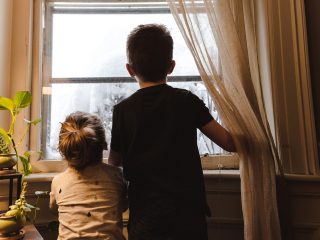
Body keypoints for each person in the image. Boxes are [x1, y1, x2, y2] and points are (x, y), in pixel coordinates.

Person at [108, 24, 236, 240]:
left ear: (130, 69)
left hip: (145, 217)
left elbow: (114, 163)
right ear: (171, 66)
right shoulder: (187, 100)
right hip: (187, 215)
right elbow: (228, 142)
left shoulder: (122, 110)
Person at [50, 111, 127, 240]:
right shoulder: (117, 176)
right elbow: (123, 206)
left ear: (65, 149)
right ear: (104, 145)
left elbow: (53, 208)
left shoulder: (58, 182)